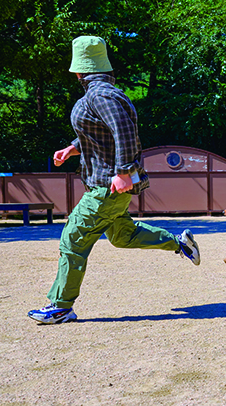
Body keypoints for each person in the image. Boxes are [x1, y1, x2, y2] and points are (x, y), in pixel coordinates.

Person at [28, 36, 200, 325]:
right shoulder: (104, 93)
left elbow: (123, 131)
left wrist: (123, 171)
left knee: (73, 237)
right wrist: (74, 146)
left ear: (78, 71)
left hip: (107, 186)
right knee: (123, 236)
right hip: (111, 184)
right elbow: (102, 131)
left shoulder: (100, 95)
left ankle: (60, 306)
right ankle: (179, 243)